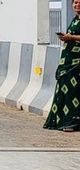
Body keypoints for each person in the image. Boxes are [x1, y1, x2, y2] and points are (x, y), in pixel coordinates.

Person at [44, 0, 80, 132]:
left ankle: (73, 121)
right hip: (67, 61)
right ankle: (63, 119)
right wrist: (66, 37)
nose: (77, 5)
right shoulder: (75, 20)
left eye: (79, 2)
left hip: (77, 63)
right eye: (75, 3)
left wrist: (72, 37)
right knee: (64, 88)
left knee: (74, 92)